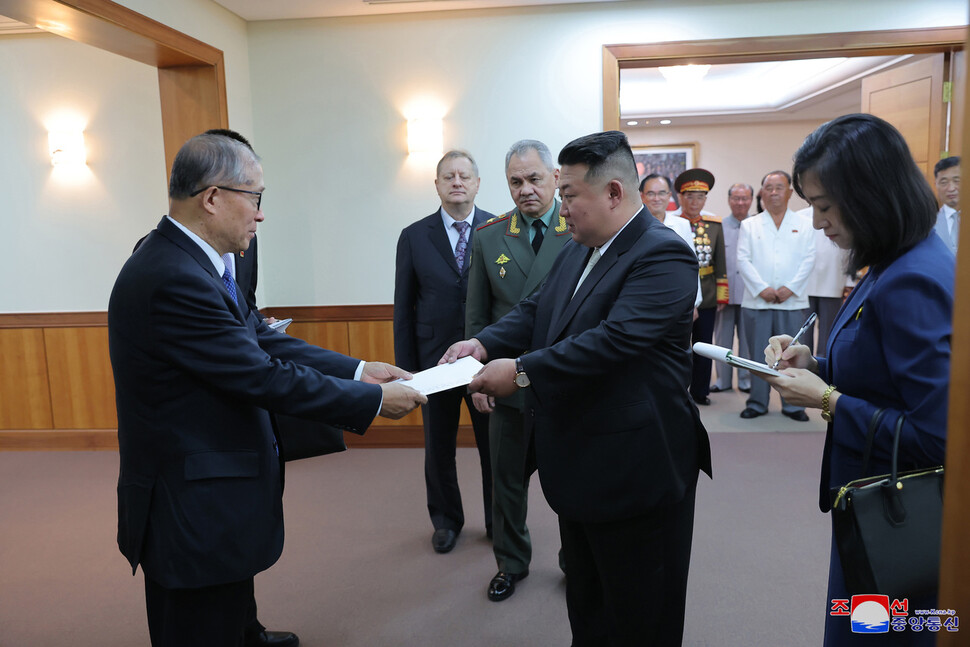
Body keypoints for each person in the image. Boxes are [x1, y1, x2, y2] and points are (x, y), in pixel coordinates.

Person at [109, 132, 426, 647]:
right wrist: (369, 402)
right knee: (197, 618)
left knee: (229, 596)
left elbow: (252, 332)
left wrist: (359, 369)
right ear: (211, 198)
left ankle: (246, 630)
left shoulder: (197, 259)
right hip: (189, 493)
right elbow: (259, 373)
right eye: (254, 197)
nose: (260, 214)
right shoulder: (172, 276)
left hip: (214, 478)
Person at [442, 130, 711, 646]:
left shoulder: (663, 255)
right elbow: (534, 310)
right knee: (589, 604)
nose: (560, 206)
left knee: (640, 614)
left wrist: (520, 371)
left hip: (637, 467)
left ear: (613, 192)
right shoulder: (579, 245)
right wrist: (481, 343)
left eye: (569, 195)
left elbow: (611, 343)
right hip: (582, 464)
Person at [764, 113, 953, 646]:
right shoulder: (892, 262)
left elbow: (938, 438)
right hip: (871, 502)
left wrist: (827, 400)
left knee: (880, 631)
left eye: (824, 206)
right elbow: (884, 374)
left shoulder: (914, 277)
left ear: (870, 193)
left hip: (898, 513)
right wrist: (816, 366)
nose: (817, 221)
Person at [464, 139, 570, 602]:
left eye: (534, 179)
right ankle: (510, 562)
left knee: (570, 477)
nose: (525, 189)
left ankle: (576, 561)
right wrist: (476, 377)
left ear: (554, 178)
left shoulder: (581, 227)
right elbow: (477, 317)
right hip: (504, 380)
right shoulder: (489, 236)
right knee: (505, 480)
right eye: (515, 181)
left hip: (562, 379)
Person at [393, 150, 495, 554]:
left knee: (494, 445)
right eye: (448, 176)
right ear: (436, 184)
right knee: (438, 446)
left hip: (485, 358)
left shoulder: (498, 229)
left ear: (476, 183)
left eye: (464, 175)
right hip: (432, 361)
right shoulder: (414, 235)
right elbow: (404, 307)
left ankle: (497, 520)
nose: (456, 181)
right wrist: (407, 373)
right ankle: (446, 521)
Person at [736, 170, 815, 420]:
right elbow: (742, 260)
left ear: (790, 192)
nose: (773, 192)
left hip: (792, 302)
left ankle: (793, 405)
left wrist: (789, 288)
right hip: (757, 302)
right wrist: (763, 289)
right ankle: (757, 402)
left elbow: (809, 258)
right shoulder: (749, 224)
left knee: (791, 356)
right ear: (761, 193)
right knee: (758, 356)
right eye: (768, 187)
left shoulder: (804, 223)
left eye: (779, 187)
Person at [675, 168, 728, 405]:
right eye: (690, 196)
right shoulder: (672, 223)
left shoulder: (714, 224)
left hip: (706, 294)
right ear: (680, 197)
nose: (695, 202)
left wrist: (721, 295)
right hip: (679, 293)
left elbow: (720, 261)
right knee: (677, 345)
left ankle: (700, 391)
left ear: (706, 199)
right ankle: (677, 390)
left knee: (704, 345)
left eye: (700, 197)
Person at [711, 183, 754, 394]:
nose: (740, 203)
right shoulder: (719, 226)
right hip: (724, 294)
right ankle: (723, 380)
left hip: (750, 293)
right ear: (729, 200)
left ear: (751, 200)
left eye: (745, 198)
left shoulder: (757, 225)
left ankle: (745, 379)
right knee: (722, 340)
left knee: (747, 340)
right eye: (736, 198)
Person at [640, 173, 703, 313]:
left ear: (669, 196)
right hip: (644, 300)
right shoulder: (633, 226)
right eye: (651, 193)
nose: (657, 198)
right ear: (642, 196)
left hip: (678, 300)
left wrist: (695, 302)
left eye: (662, 193)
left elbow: (692, 266)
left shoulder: (682, 225)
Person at [799, 206, 853, 359]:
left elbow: (850, 249)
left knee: (828, 333)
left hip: (834, 280)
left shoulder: (844, 212)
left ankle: (823, 370)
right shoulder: (799, 216)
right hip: (804, 284)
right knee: (803, 334)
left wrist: (849, 280)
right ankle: (802, 368)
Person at [933, 155, 960, 255]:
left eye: (957, 181)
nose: (951, 188)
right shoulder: (930, 224)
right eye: (944, 182)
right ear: (936, 184)